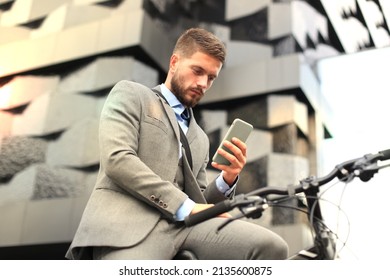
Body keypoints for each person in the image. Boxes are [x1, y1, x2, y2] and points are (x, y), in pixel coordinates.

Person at [65, 27, 288, 260]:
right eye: (197, 70)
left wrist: (226, 180)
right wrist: (185, 206)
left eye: (211, 77)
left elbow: (200, 201)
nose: (203, 83)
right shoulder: (131, 94)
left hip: (186, 227)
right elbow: (118, 159)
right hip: (127, 229)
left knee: (272, 247)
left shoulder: (200, 137)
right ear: (174, 62)